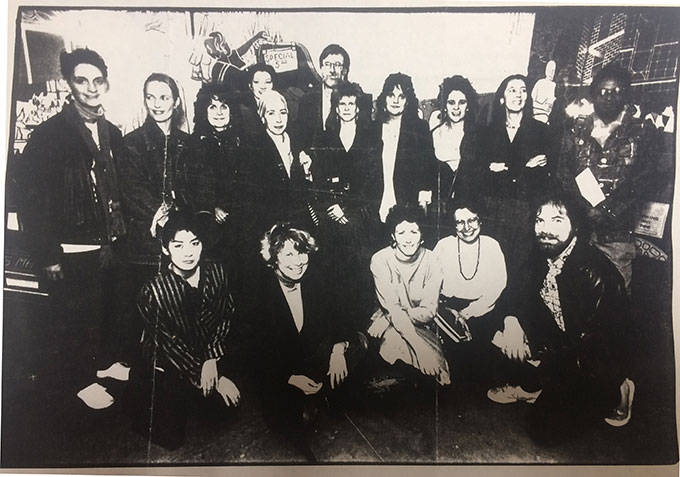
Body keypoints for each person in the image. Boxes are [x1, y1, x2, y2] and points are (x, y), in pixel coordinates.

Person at [19, 48, 127, 405]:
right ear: (69, 83)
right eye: (81, 80)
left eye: (97, 80)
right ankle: (81, 381)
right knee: (75, 314)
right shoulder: (48, 135)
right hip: (71, 245)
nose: (90, 88)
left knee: (104, 309)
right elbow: (32, 202)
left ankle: (102, 365)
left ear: (106, 83)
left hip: (109, 241)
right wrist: (47, 254)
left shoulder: (110, 130)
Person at [487, 193, 634, 444]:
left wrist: (540, 353)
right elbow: (513, 294)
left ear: (575, 225)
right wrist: (512, 322)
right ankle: (537, 384)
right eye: (539, 220)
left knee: (544, 430)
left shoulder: (595, 275)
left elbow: (592, 348)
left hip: (595, 361)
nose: (545, 229)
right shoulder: (543, 254)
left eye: (556, 220)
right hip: (563, 342)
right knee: (493, 325)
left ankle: (622, 388)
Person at [248, 224, 367, 460]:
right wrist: (290, 379)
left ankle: (325, 392)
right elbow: (254, 355)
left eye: (302, 252)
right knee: (295, 423)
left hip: (312, 358)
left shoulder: (315, 280)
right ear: (274, 258)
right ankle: (311, 399)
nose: (298, 261)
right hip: (281, 372)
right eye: (289, 254)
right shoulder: (258, 292)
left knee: (359, 343)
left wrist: (338, 350)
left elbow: (341, 320)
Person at [129, 211, 241, 450]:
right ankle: (134, 389)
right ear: (166, 249)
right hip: (168, 362)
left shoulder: (217, 272)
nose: (188, 253)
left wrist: (212, 359)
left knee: (225, 412)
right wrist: (211, 376)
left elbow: (226, 316)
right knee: (171, 439)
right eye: (178, 245)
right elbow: (170, 345)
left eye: (195, 243)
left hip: (205, 353)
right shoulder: (154, 292)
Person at [557, 63, 660, 291]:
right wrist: (584, 208)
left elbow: (643, 181)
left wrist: (608, 211)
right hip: (579, 230)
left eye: (617, 92)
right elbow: (564, 172)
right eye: (604, 91)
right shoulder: (576, 128)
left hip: (618, 235)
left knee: (615, 299)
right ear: (593, 94)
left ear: (625, 94)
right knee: (575, 295)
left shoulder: (640, 132)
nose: (610, 97)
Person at [476, 74, 553, 299]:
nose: (518, 95)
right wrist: (524, 166)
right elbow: (481, 173)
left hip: (525, 208)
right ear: (502, 98)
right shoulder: (487, 133)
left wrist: (502, 168)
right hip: (493, 209)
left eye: (522, 90)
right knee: (493, 263)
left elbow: (541, 176)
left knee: (521, 267)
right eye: (512, 90)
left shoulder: (541, 131)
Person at [310, 81, 379, 330]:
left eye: (352, 103)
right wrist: (333, 206)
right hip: (331, 220)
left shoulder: (370, 137)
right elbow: (318, 179)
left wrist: (349, 210)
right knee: (335, 274)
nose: (348, 108)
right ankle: (339, 331)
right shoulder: (324, 136)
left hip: (361, 218)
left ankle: (361, 329)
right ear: (336, 108)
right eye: (343, 103)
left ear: (358, 108)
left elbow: (374, 183)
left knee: (360, 274)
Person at [367, 205, 450, 385]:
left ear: (422, 235)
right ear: (393, 236)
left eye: (413, 231)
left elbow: (428, 311)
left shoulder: (433, 260)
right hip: (389, 326)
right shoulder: (380, 260)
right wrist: (420, 349)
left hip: (421, 325)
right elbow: (391, 306)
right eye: (401, 232)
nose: (408, 239)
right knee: (395, 345)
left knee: (439, 375)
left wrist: (389, 317)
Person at [120, 73, 192, 267]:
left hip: (186, 240)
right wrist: (165, 218)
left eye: (164, 98)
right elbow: (132, 191)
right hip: (146, 243)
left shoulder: (188, 142)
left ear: (176, 102)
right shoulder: (131, 143)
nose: (156, 105)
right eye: (150, 97)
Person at [239, 90, 315, 251]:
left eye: (283, 112)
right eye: (271, 113)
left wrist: (307, 173)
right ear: (262, 117)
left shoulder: (296, 142)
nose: (279, 119)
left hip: (299, 224)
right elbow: (251, 199)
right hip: (269, 229)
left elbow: (303, 192)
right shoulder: (253, 147)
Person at [368, 73, 437, 244]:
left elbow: (429, 165)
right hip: (376, 200)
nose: (395, 101)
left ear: (408, 101)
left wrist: (423, 197)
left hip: (407, 201)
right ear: (384, 99)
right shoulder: (372, 128)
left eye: (401, 96)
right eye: (391, 95)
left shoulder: (419, 128)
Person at [187, 82, 243, 264]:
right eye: (212, 107)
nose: (219, 112)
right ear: (204, 110)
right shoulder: (194, 144)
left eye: (224, 106)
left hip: (241, 226)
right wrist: (213, 207)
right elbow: (191, 188)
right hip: (209, 230)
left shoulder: (243, 142)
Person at [430, 75, 481, 212]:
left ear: (468, 105)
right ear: (444, 106)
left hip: (470, 208)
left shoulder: (478, 135)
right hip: (440, 210)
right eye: (451, 102)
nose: (456, 108)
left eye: (462, 102)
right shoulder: (433, 134)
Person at [297, 44, 351, 149]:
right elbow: (302, 140)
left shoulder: (356, 99)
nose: (332, 70)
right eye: (327, 64)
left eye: (337, 64)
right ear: (321, 69)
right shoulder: (307, 100)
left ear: (344, 71)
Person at [239, 63, 277, 139]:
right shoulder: (243, 109)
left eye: (267, 82)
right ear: (250, 85)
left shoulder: (280, 104)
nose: (263, 87)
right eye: (257, 82)